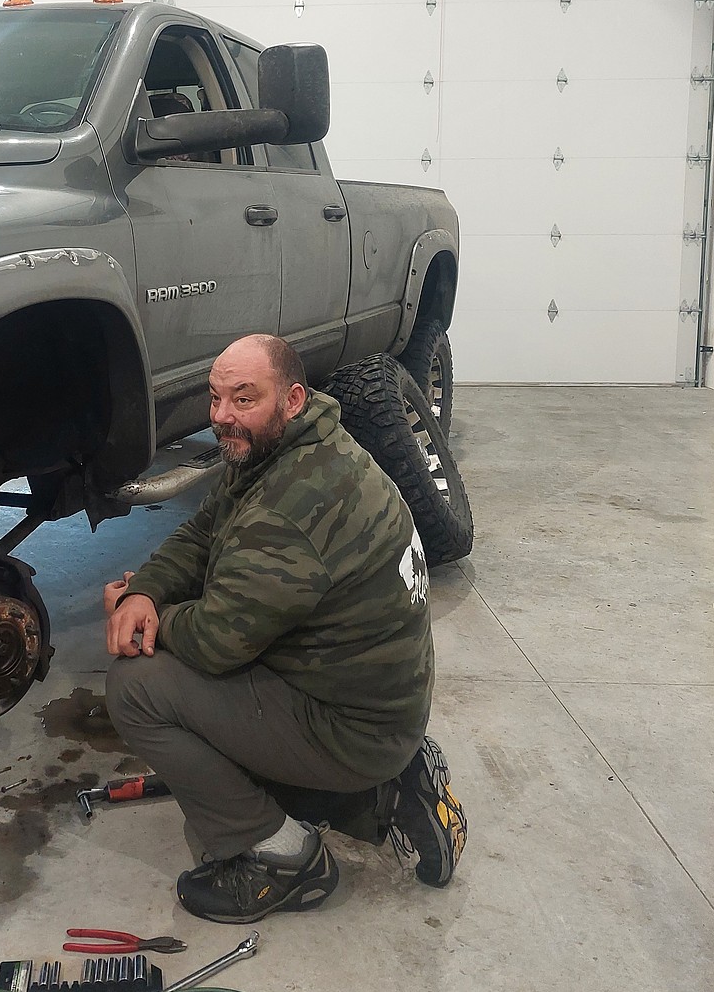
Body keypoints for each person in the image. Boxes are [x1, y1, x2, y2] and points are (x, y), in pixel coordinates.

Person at [104, 334, 467, 924]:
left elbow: (215, 643)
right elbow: (203, 532)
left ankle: (285, 860)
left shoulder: (289, 505)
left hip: (354, 725)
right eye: (216, 398)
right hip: (371, 703)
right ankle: (383, 793)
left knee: (137, 687)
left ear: (293, 398)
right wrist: (146, 588)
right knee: (199, 600)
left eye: (244, 399)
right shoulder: (298, 444)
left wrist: (144, 618)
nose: (223, 417)